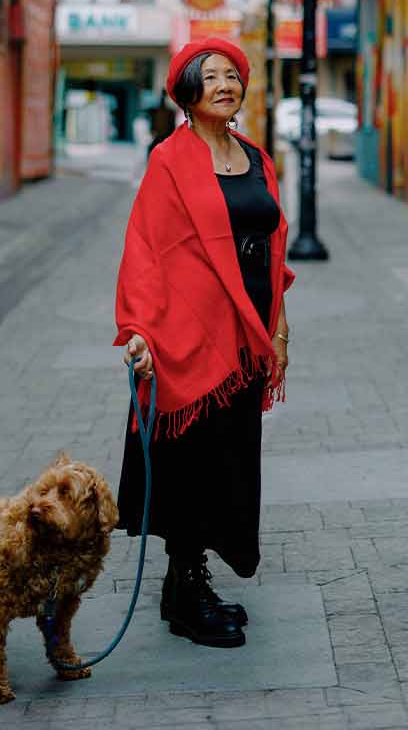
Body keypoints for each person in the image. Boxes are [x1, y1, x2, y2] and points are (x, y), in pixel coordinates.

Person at [112, 37, 295, 649]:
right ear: (188, 91)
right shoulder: (170, 160)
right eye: (210, 76)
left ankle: (187, 584)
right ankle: (186, 590)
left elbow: (273, 248)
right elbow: (144, 247)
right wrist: (138, 331)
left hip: (247, 338)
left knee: (230, 462)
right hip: (188, 337)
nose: (225, 84)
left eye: (232, 76)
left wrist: (280, 326)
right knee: (191, 465)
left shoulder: (257, 157)